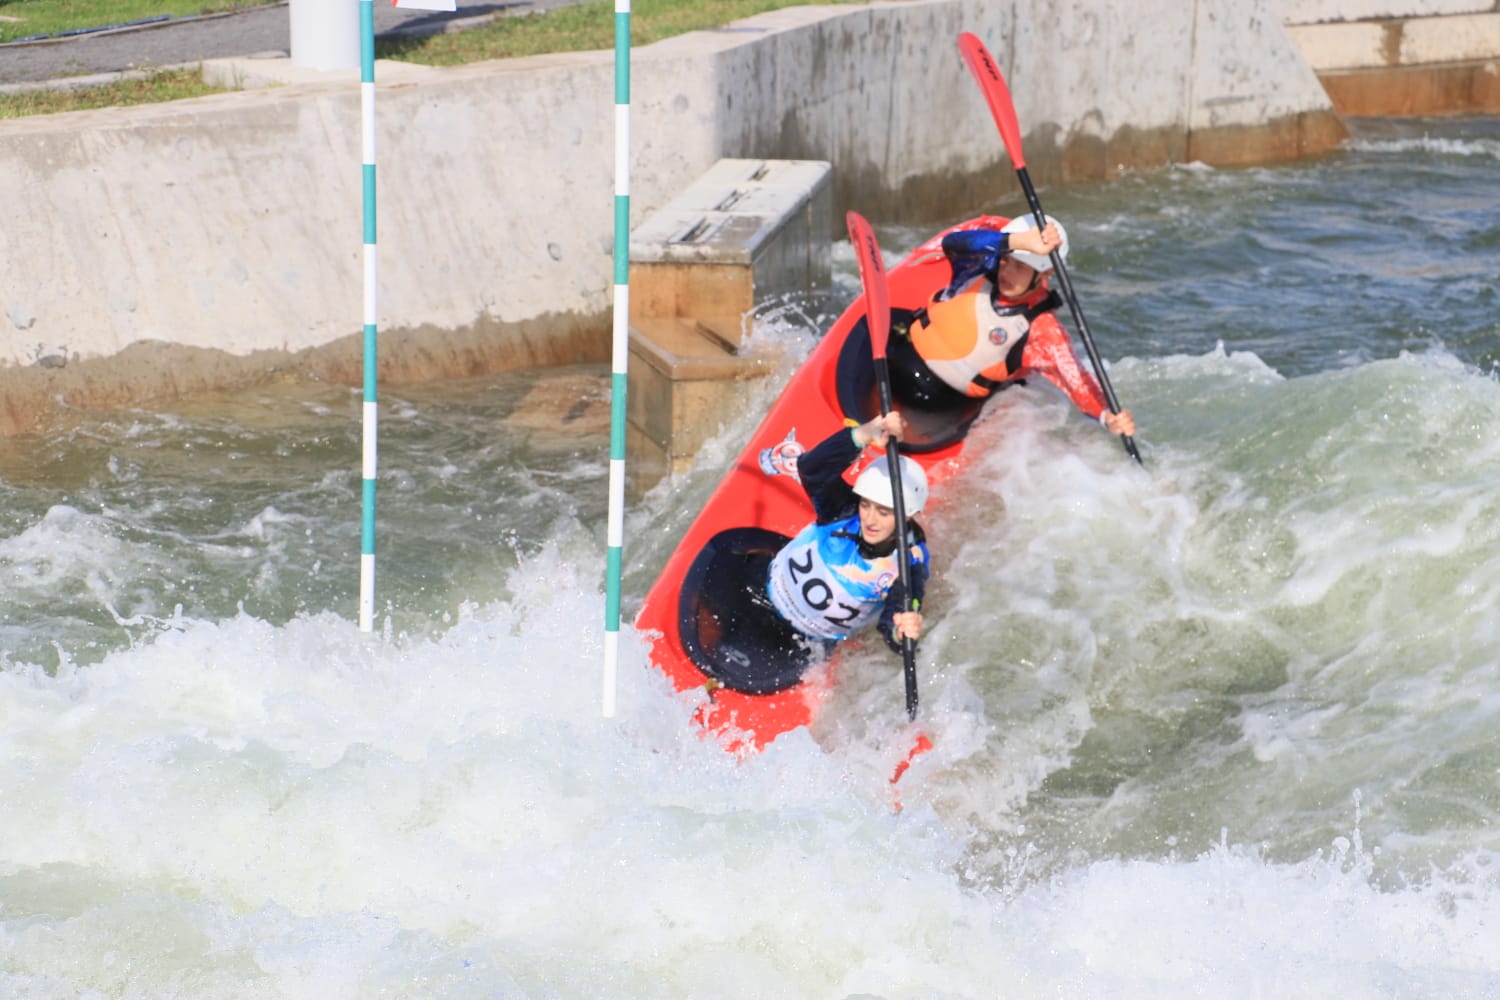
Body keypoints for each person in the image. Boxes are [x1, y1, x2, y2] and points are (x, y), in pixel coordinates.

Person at [888, 214, 1136, 438]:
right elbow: (954, 243)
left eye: (1020, 266)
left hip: (933, 400)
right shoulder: (977, 268)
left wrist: (1107, 416)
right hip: (898, 354)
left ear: (1045, 274)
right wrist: (1017, 242)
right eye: (1006, 260)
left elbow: (1077, 382)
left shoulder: (1043, 329)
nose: (1006, 271)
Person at [768, 410, 930, 654]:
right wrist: (863, 434)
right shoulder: (845, 510)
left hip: (804, 642)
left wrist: (900, 634)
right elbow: (811, 469)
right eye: (866, 505)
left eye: (883, 512)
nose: (869, 520)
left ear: (908, 515)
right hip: (765, 582)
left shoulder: (908, 564)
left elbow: (892, 620)